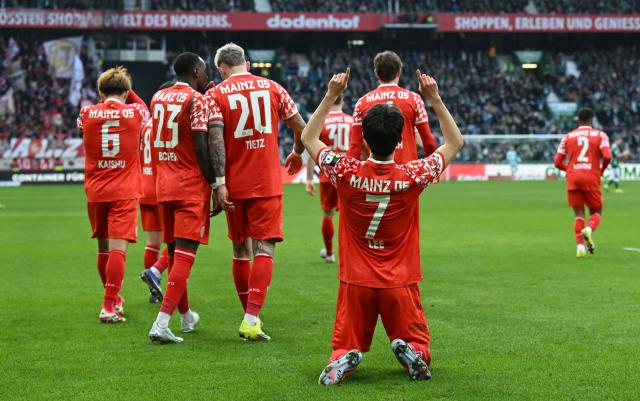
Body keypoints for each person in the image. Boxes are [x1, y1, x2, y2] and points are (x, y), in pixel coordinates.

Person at [301, 68, 463, 385]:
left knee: (343, 343)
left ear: (364, 138)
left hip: (356, 280)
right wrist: (435, 98)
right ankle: (413, 354)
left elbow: (308, 137)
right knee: (420, 343)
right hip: (399, 280)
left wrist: (331, 95)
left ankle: (344, 360)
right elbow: (455, 142)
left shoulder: (346, 171)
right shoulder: (412, 175)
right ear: (400, 139)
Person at [206, 43, 306, 341]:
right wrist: (297, 151)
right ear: (245, 64)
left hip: (234, 184)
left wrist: (219, 183)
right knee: (265, 248)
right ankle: (251, 318)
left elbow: (215, 142)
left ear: (222, 68)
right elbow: (302, 125)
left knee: (240, 249)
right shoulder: (274, 87)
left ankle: (251, 315)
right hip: (266, 183)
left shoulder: (215, 94)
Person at [147, 52, 215, 343]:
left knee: (174, 254)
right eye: (205, 70)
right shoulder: (195, 100)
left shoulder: (157, 97)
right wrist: (215, 183)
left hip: (164, 184)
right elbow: (201, 147)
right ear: (197, 71)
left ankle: (186, 316)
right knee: (185, 256)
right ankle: (161, 323)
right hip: (189, 185)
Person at [77, 66, 149, 323]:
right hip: (124, 190)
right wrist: (129, 92)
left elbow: (84, 126)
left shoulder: (86, 113)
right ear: (127, 92)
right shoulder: (136, 112)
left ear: (100, 91)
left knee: (104, 248)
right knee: (119, 250)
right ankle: (108, 306)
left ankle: (114, 300)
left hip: (96, 190)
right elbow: (145, 110)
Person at [349, 50, 436, 163]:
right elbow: (428, 141)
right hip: (406, 173)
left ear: (376, 73)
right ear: (399, 72)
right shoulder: (414, 99)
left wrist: (349, 174)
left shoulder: (362, 102)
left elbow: (355, 145)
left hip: (374, 175)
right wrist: (433, 169)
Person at [554, 108, 611, 258]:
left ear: (578, 120)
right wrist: (601, 170)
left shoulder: (567, 136)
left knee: (578, 214)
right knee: (597, 211)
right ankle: (589, 230)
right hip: (591, 176)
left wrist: (570, 171)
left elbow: (557, 162)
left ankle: (580, 246)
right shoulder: (600, 135)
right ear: (592, 121)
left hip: (573, 178)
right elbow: (607, 156)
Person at [305, 94, 353, 263]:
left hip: (328, 174)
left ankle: (330, 253)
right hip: (349, 174)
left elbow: (312, 152)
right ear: (343, 102)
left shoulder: (322, 122)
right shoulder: (351, 121)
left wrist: (309, 178)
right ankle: (350, 254)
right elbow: (362, 148)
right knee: (352, 216)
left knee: (328, 214)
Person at [139, 82, 175, 304]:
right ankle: (158, 272)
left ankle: (153, 290)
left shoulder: (146, 125)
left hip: (144, 185)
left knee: (152, 242)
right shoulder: (166, 123)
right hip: (163, 186)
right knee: (178, 240)